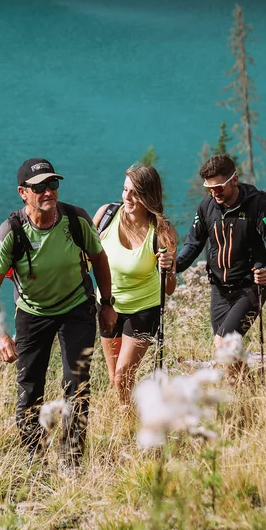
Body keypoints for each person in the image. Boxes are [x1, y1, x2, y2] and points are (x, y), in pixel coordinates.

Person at [0, 157, 113, 463]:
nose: (48, 192)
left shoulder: (76, 220)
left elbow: (100, 259)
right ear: (23, 192)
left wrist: (107, 304)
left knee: (77, 383)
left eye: (52, 184)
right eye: (38, 187)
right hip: (32, 313)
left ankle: (72, 460)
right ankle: (35, 459)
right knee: (30, 390)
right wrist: (0, 337)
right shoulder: (11, 232)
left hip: (76, 308)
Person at [174, 154, 266, 357]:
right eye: (209, 189)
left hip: (250, 288)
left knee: (223, 343)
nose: (213, 193)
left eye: (218, 188)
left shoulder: (258, 206)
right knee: (227, 353)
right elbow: (193, 244)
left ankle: (248, 387)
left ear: (234, 180)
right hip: (219, 290)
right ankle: (248, 388)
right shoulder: (206, 207)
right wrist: (174, 265)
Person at [93, 164, 177, 404]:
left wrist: (169, 268)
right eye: (124, 190)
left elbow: (169, 288)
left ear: (148, 196)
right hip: (108, 305)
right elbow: (84, 259)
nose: (126, 197)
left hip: (143, 309)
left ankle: (135, 425)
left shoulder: (162, 231)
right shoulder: (106, 216)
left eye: (134, 193)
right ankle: (128, 423)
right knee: (115, 379)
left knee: (122, 377)